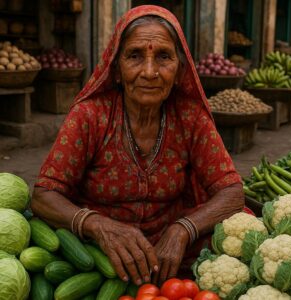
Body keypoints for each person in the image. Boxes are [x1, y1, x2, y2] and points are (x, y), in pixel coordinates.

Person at [31, 5, 245, 286]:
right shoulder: (91, 116)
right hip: (101, 257)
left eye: (163, 57)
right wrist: (98, 226)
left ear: (180, 70)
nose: (149, 71)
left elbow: (232, 192)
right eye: (134, 56)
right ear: (116, 69)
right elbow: (44, 195)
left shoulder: (189, 117)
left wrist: (183, 229)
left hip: (171, 255)